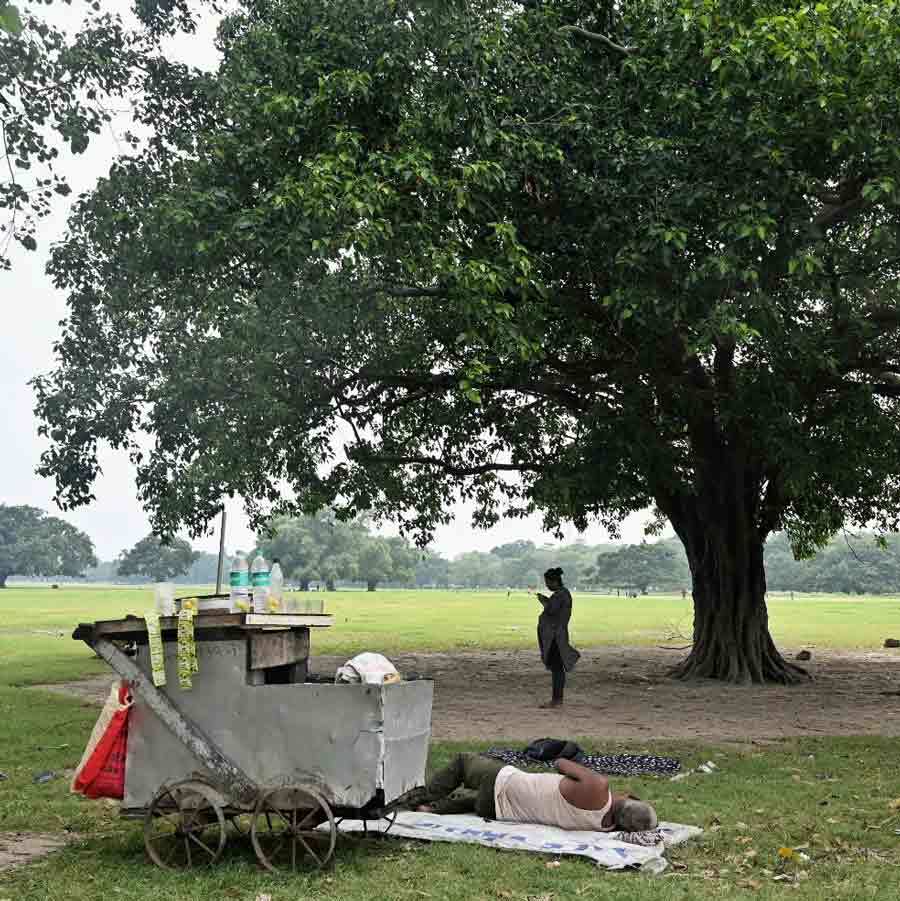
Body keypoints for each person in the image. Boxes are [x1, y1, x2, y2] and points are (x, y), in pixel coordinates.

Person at [411, 752, 658, 833]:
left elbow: (560, 763)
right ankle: (433, 809)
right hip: (495, 811)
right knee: (477, 800)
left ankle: (420, 797)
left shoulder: (599, 787)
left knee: (464, 762)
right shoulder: (604, 828)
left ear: (631, 797)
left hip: (501, 783)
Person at [536, 566, 580, 708]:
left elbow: (552, 611)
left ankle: (557, 700)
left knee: (557, 668)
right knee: (557, 668)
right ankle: (557, 699)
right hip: (557, 634)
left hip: (555, 636)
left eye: (548, 583)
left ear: (554, 581)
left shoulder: (560, 595)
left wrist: (544, 601)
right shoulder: (562, 594)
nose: (547, 586)